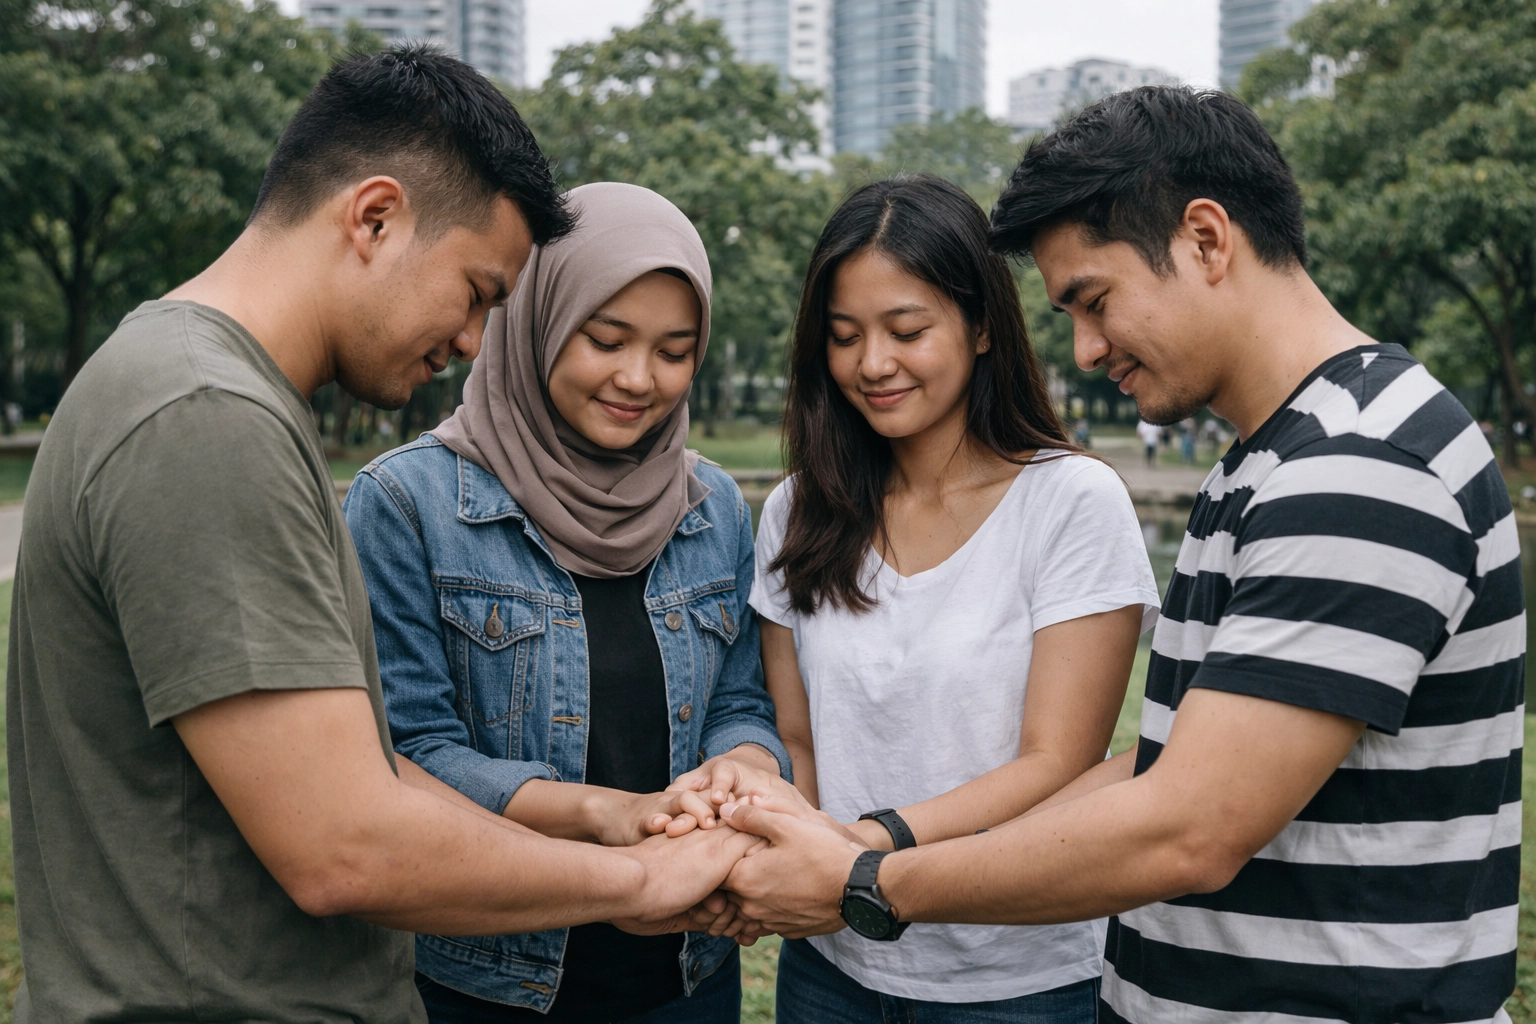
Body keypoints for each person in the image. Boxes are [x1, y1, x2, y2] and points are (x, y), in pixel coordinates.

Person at [712, 86, 1523, 1024]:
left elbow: (1191, 829)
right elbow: (1160, 768)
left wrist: (868, 876)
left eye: (1093, 302)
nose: (1086, 350)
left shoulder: (1358, 468)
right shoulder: (1272, 460)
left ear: (1206, 240)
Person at [9, 48, 758, 1024]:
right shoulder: (205, 416)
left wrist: (611, 816)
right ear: (374, 218)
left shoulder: (210, 392)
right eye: (479, 290)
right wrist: (644, 883)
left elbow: (357, 769)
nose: (476, 342)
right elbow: (343, 844)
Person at [685, 175, 1160, 1022]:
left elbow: (1056, 763)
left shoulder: (1070, 502)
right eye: (844, 336)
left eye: (907, 330)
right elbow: (797, 736)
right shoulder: (801, 508)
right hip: (830, 968)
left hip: (1015, 978)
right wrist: (758, 838)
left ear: (981, 326)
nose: (872, 364)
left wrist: (866, 849)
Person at [344, 181, 790, 1022]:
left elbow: (737, 698)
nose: (638, 378)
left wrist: (742, 773)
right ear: (539, 319)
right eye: (606, 338)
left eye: (674, 349)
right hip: (484, 981)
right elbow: (406, 752)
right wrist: (607, 816)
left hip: (685, 976)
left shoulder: (713, 507)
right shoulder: (410, 505)